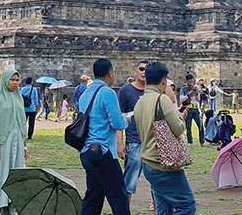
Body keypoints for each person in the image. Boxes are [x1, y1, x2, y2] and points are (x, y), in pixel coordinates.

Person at [135, 62, 194, 215]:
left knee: (163, 208)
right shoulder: (162, 100)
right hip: (164, 164)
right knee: (187, 206)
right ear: (164, 80)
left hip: (148, 163)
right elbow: (178, 129)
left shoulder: (140, 102)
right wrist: (180, 117)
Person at [78, 58, 130, 215]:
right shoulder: (108, 93)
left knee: (94, 195)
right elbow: (117, 123)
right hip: (103, 150)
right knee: (119, 196)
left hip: (87, 151)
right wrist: (126, 121)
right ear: (110, 73)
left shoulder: (85, 93)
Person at [0, 69, 28, 215]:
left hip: (17, 144)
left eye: (17, 80)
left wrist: (24, 146)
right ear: (5, 80)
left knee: (15, 176)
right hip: (2, 144)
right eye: (12, 80)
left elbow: (22, 123)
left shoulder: (18, 98)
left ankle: (9, 208)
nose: (15, 83)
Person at [119, 60, 149, 198]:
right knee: (129, 182)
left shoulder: (154, 90)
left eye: (147, 70)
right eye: (141, 69)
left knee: (157, 183)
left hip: (152, 141)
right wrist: (119, 143)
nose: (144, 72)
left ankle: (157, 208)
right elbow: (120, 118)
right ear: (135, 71)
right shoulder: (125, 91)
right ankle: (125, 208)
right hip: (134, 141)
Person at [179, 75, 204, 144]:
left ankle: (202, 142)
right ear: (186, 81)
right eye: (189, 82)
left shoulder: (195, 88)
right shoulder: (183, 89)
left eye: (192, 82)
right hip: (188, 109)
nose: (191, 83)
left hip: (195, 108)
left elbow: (198, 99)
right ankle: (190, 142)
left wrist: (197, 94)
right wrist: (188, 95)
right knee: (188, 127)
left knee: (200, 125)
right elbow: (181, 100)